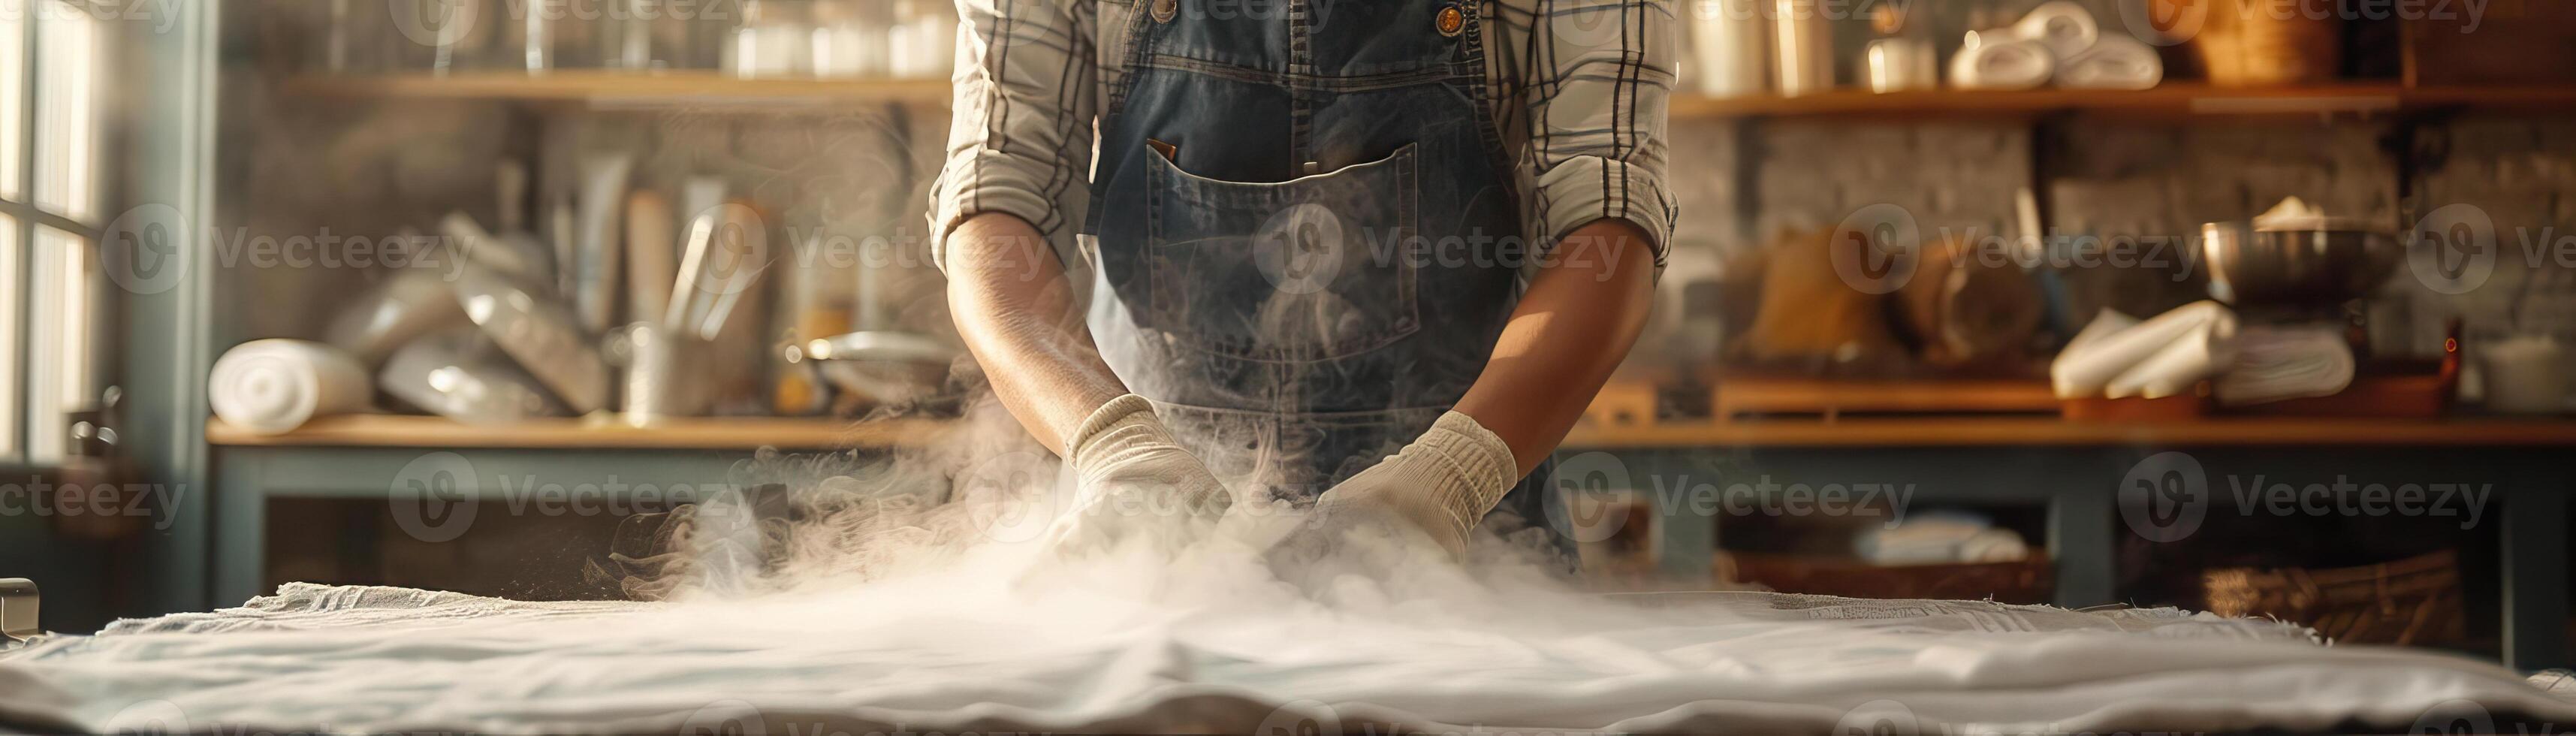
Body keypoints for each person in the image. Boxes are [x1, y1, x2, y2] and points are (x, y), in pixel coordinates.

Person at [931, 0, 1673, 561]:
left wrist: (1453, 472)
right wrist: (1113, 445)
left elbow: (1606, 220)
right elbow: (997, 205)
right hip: (1147, 532)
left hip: (1466, 530)